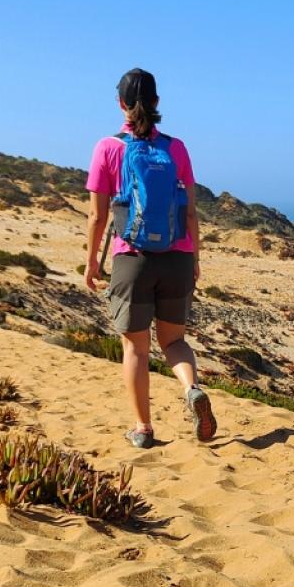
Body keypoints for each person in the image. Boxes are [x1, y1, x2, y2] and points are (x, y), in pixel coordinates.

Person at [83, 67, 217, 448]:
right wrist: (193, 259)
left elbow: (97, 214)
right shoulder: (176, 148)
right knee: (174, 341)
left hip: (132, 259)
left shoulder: (108, 147)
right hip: (176, 257)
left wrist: (93, 261)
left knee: (136, 348)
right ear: (157, 103)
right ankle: (191, 388)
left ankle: (143, 429)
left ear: (120, 103)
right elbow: (190, 212)